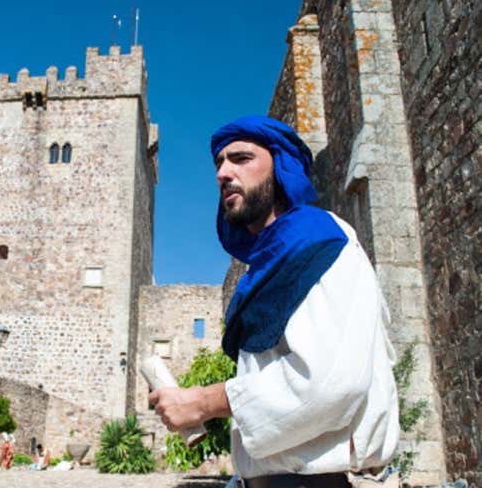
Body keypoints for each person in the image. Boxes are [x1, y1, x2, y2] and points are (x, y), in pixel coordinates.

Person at [148, 116, 400, 487]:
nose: (222, 172)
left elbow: (327, 384)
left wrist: (201, 402)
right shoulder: (264, 267)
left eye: (241, 158)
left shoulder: (318, 239)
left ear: (281, 168)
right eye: (219, 163)